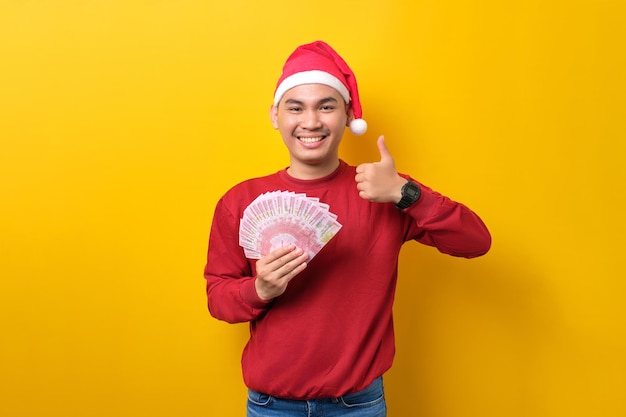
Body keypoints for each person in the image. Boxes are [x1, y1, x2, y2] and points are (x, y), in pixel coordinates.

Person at [204, 40, 491, 417]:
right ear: (276, 115)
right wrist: (260, 289)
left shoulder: (384, 190)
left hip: (358, 405)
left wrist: (407, 194)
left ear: (348, 114)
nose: (311, 121)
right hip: (271, 405)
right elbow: (218, 298)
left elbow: (475, 242)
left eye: (326, 106)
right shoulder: (240, 201)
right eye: (296, 107)